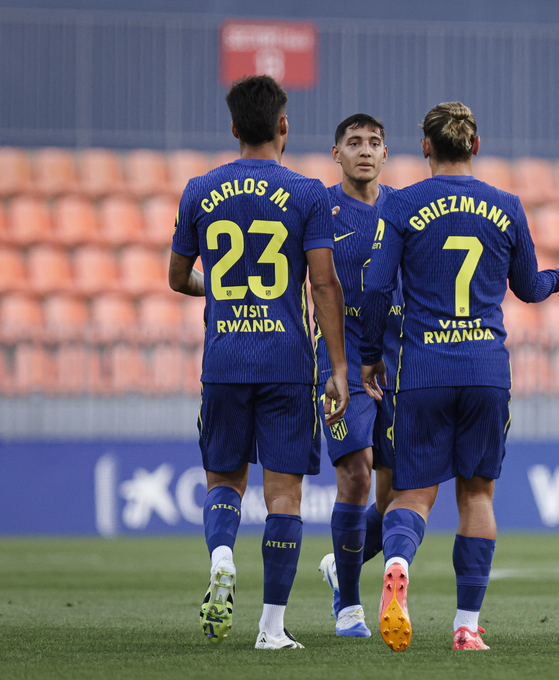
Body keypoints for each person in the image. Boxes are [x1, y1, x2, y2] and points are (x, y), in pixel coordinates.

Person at [358, 101, 559, 652]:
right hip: (485, 370)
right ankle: (466, 626)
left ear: (425, 147)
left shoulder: (399, 205)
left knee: (413, 494)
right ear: (474, 145)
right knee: (477, 496)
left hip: (422, 370)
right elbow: (528, 287)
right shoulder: (506, 205)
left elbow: (376, 289)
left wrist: (371, 355)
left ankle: (396, 564)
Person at [168, 74, 349, 650]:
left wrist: (220, 293)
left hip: (222, 359)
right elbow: (323, 286)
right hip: (287, 362)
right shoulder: (308, 193)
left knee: (223, 481)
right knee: (284, 497)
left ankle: (222, 555)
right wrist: (338, 368)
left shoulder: (199, 189)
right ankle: (270, 628)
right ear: (283, 125)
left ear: (233, 128)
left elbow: (177, 278)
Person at [313, 113, 403, 638]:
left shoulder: (404, 208)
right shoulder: (319, 210)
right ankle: (350, 606)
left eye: (374, 143)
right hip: (340, 361)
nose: (365, 151)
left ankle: (337, 565)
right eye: (354, 143)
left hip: (395, 363)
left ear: (386, 154)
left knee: (395, 496)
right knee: (357, 474)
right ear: (336, 153)